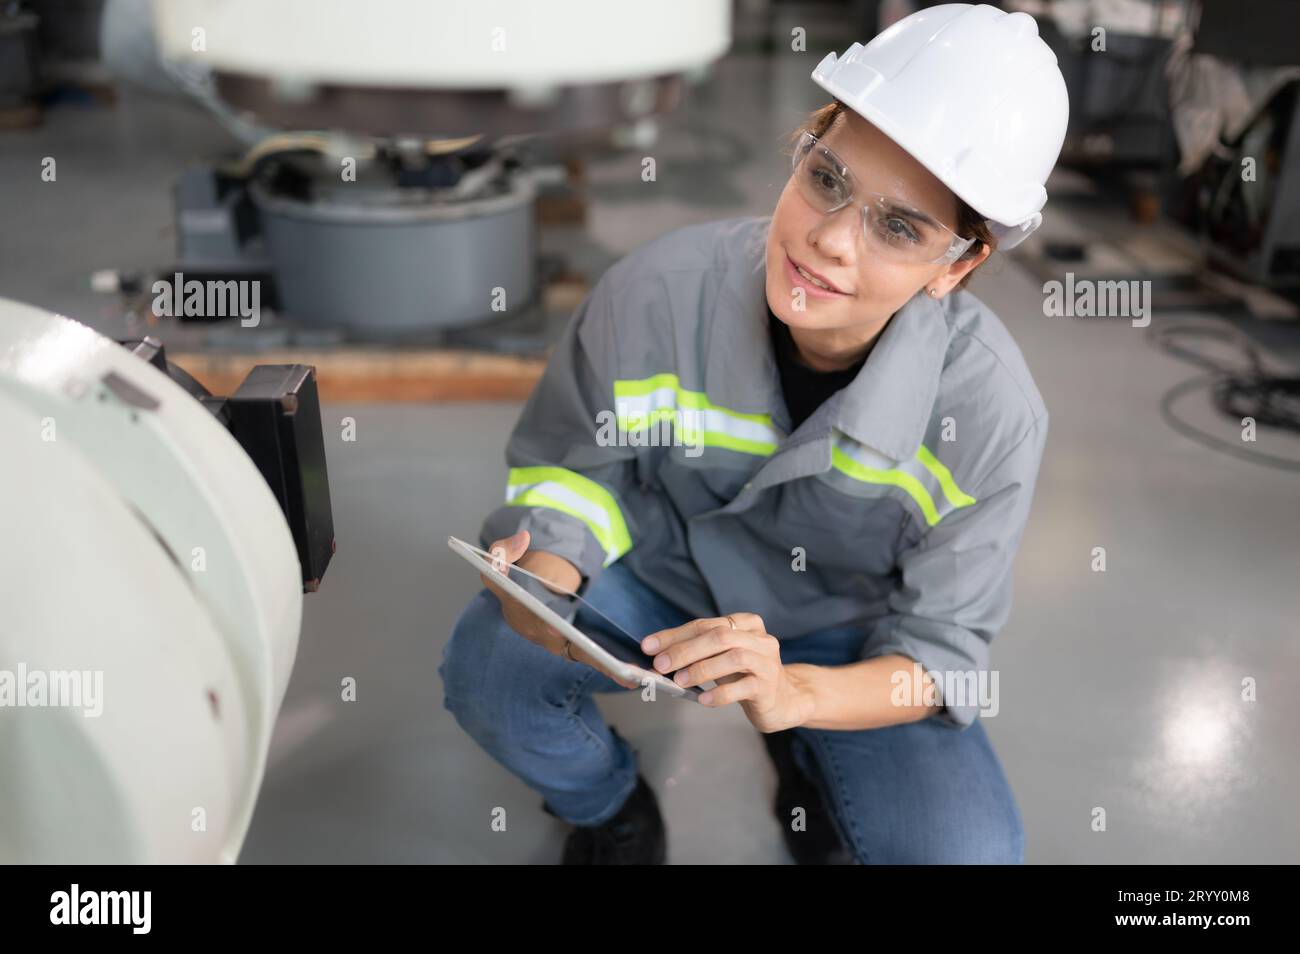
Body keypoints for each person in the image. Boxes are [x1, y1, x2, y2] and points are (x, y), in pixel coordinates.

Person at [440, 3, 1068, 864]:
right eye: (828, 179)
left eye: (898, 227)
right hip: (663, 576)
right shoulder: (656, 293)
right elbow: (579, 464)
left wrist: (801, 693)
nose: (829, 241)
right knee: (489, 670)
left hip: (842, 637)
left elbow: (942, 658)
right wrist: (553, 566)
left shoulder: (989, 415)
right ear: (803, 148)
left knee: (966, 853)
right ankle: (609, 807)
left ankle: (806, 746)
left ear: (957, 265)